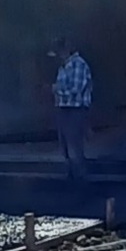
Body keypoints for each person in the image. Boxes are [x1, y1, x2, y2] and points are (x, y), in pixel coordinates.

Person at [49, 38, 92, 180]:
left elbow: (76, 89)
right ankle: (70, 175)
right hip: (63, 108)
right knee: (65, 143)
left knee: (75, 144)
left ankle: (81, 177)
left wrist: (56, 89)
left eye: (58, 53)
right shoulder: (64, 66)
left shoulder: (78, 65)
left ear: (65, 51)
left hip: (75, 110)